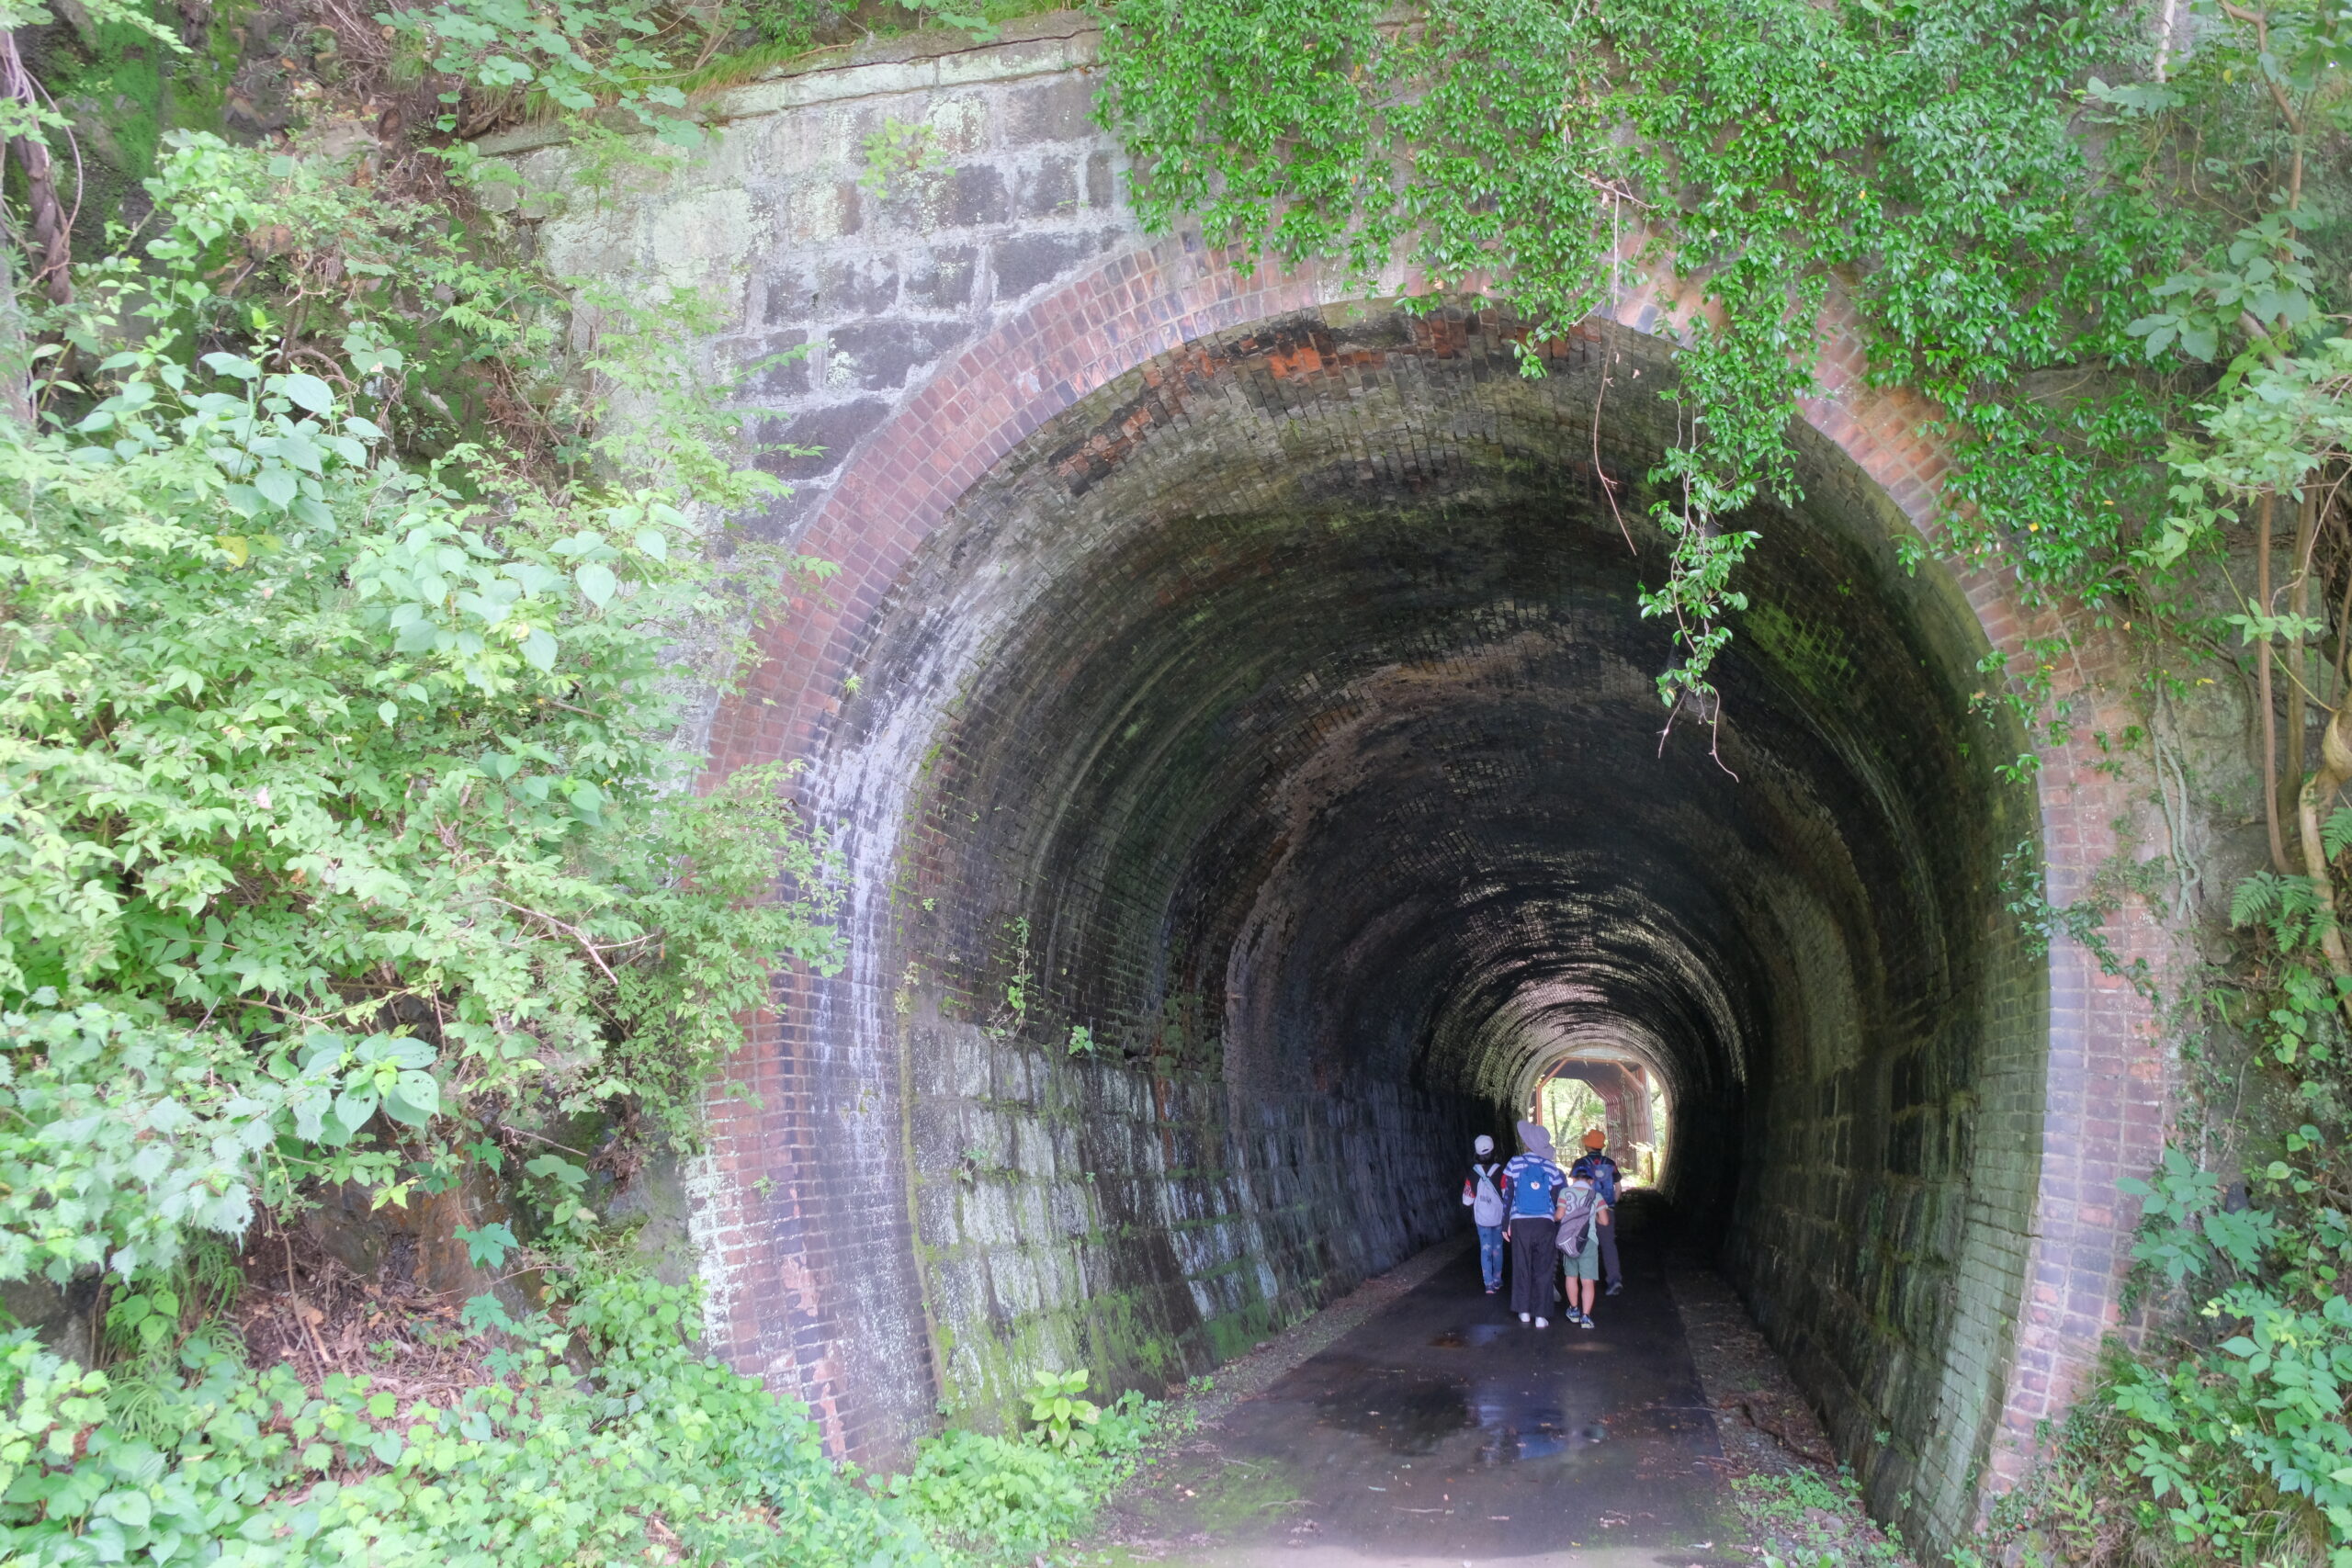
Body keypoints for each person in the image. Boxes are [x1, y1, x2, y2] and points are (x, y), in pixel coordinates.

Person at [1501, 1120, 1566, 1327]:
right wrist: (1556, 1223)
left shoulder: (1514, 1163)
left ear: (1526, 1143)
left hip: (1520, 1222)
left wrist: (1505, 1223)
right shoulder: (1552, 1168)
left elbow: (1507, 1194)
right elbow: (1559, 1197)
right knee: (1543, 1268)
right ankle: (1540, 1316)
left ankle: (1523, 1312)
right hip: (1544, 1223)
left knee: (1522, 1265)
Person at [1569, 1127, 1623, 1297]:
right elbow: (1618, 1187)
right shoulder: (1610, 1163)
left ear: (1588, 1146)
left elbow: (1576, 1187)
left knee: (1585, 1245)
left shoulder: (1580, 1163)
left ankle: (1587, 1282)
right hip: (1606, 1208)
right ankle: (1614, 1280)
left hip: (1586, 1209)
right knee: (1608, 1244)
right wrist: (1611, 1205)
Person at [1555, 1167, 1605, 1329]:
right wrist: (1593, 1217)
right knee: (1587, 1281)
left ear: (1574, 1179)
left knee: (1571, 1276)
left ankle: (1574, 1310)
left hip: (1570, 1241)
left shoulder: (1565, 1193)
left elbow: (1559, 1215)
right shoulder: (1596, 1195)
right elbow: (1605, 1221)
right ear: (1591, 1181)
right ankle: (1586, 1317)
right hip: (1589, 1240)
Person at [1462, 1135, 1509, 1294]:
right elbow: (1507, 1195)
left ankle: (1488, 1284)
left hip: (1482, 1218)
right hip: (1498, 1217)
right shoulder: (1501, 1171)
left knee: (1485, 1249)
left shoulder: (1472, 1173)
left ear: (1476, 1154)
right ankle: (1497, 1280)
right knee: (1498, 1249)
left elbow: (1467, 1200)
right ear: (1493, 1151)